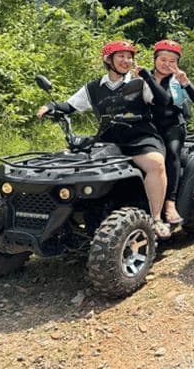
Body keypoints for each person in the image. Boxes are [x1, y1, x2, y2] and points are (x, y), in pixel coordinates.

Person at [36, 41, 172, 239]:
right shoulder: (93, 88)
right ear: (108, 60)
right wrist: (51, 106)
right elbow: (70, 106)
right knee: (73, 163)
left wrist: (148, 78)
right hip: (108, 139)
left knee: (156, 163)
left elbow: (161, 100)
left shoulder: (139, 83)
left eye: (129, 57)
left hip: (140, 137)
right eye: (121, 56)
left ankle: (157, 219)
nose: (126, 61)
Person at [149, 39, 194, 228]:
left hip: (173, 126)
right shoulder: (142, 77)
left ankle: (170, 204)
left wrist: (185, 83)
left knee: (172, 154)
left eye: (172, 61)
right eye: (163, 59)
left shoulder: (177, 80)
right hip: (148, 126)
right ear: (155, 59)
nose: (167, 64)